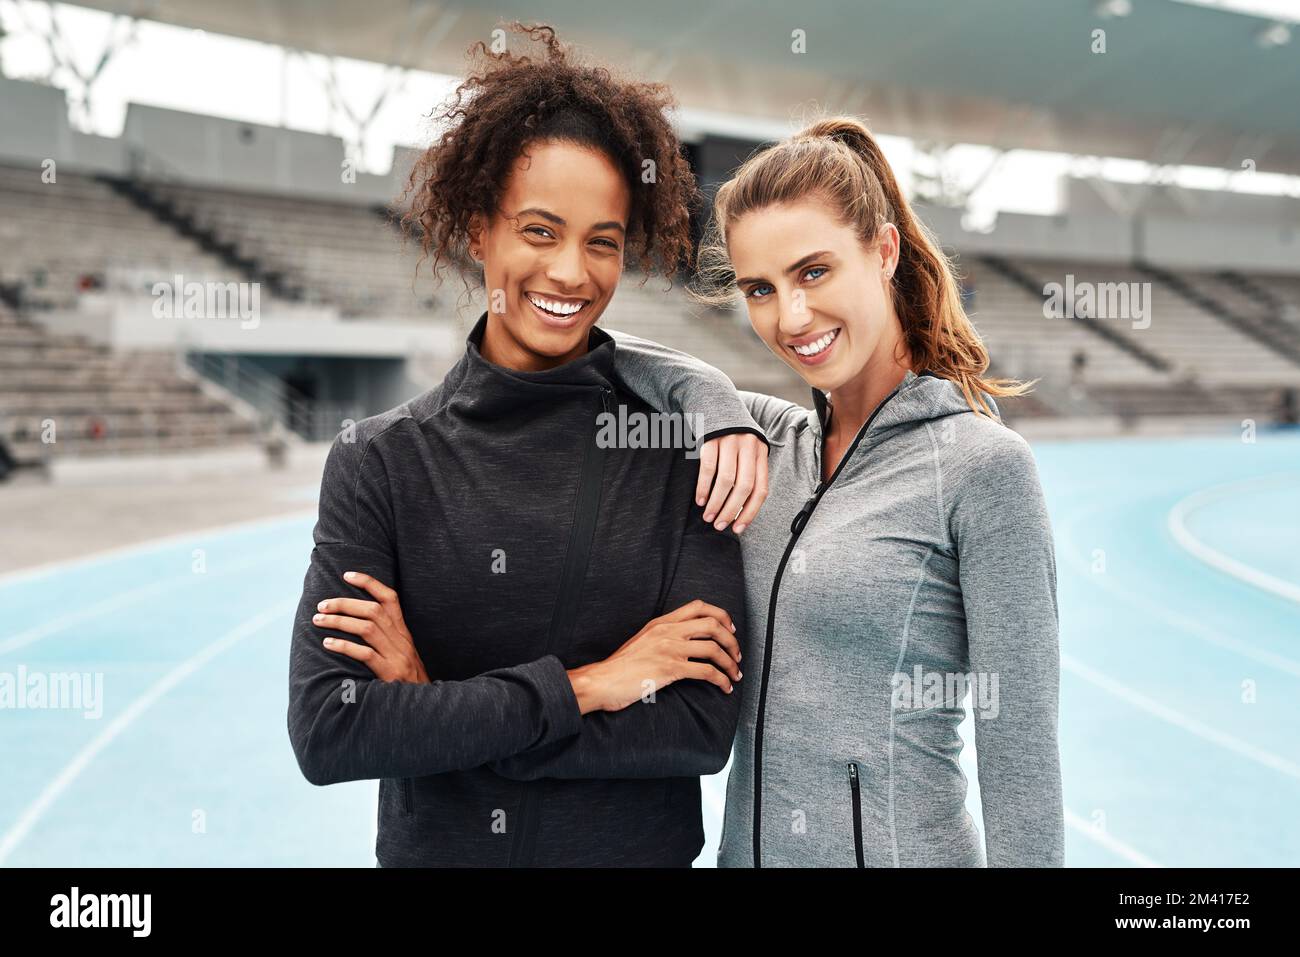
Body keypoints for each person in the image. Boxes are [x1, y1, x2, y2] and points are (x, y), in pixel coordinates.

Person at [286, 23, 763, 867]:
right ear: (479, 230)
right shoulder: (380, 463)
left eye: (602, 242)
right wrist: (595, 684)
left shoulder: (683, 452)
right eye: (540, 231)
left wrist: (436, 709)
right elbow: (334, 729)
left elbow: (696, 727)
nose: (572, 273)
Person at [608, 116, 1065, 866]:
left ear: (883, 251)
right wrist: (712, 394)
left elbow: (1020, 764)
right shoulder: (758, 438)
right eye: (761, 288)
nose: (791, 318)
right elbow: (598, 358)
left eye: (814, 272)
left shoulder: (984, 469)